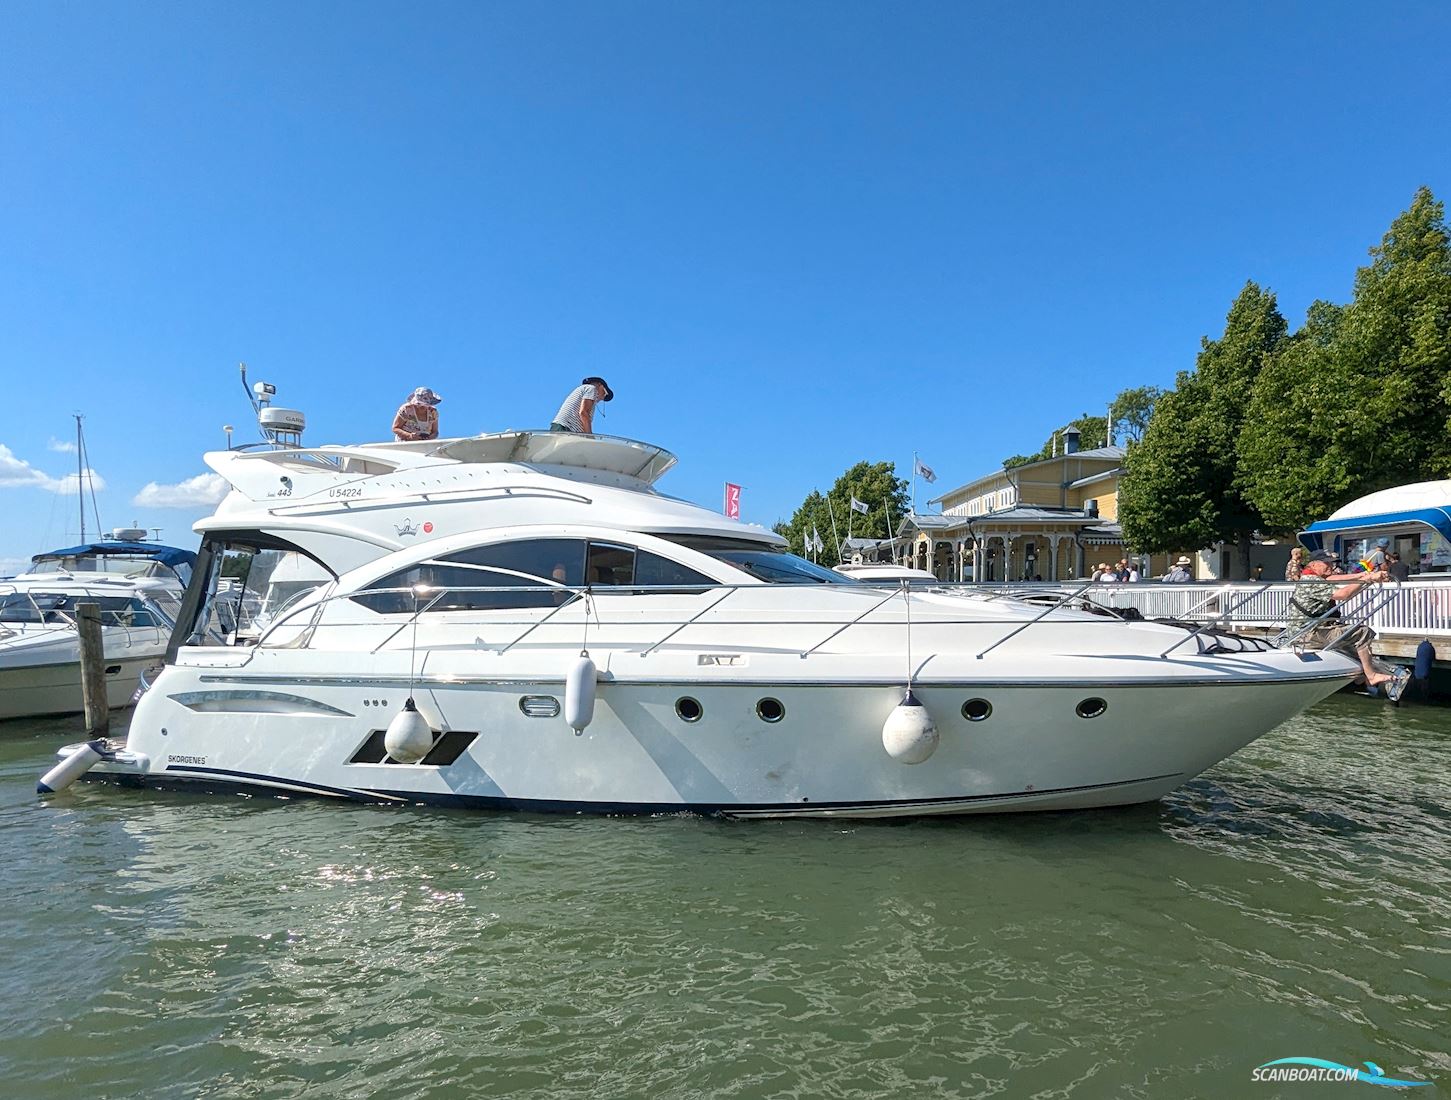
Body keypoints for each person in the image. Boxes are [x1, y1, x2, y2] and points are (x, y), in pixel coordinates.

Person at [1286, 549, 1407, 699]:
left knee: (1349, 638)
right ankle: (1370, 676)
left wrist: (1362, 575)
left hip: (1310, 629)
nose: (1331, 565)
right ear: (1314, 564)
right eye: (1326, 563)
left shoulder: (1311, 576)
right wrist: (1368, 579)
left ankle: (1361, 675)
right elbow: (1343, 594)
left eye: (1331, 562)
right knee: (1361, 632)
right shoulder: (1312, 582)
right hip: (1307, 633)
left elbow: (1334, 578)